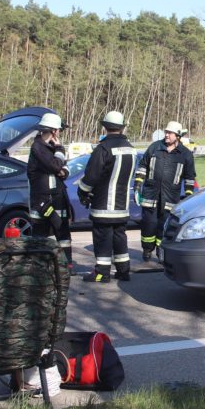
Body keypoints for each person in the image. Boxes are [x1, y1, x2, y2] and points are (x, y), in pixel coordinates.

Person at [77, 111, 136, 282]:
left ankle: (102, 273)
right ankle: (123, 271)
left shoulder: (103, 148)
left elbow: (91, 176)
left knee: (103, 238)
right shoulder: (130, 149)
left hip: (103, 206)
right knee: (119, 237)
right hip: (122, 206)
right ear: (122, 127)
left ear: (105, 126)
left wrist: (83, 191)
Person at [134, 121, 197, 261]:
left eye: (170, 133)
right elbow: (142, 167)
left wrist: (188, 196)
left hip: (170, 199)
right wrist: (138, 186)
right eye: (166, 132)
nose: (167, 135)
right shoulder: (154, 148)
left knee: (164, 227)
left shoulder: (185, 154)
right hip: (150, 196)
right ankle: (146, 249)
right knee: (148, 225)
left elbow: (189, 178)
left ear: (178, 136)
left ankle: (160, 251)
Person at [27, 112, 75, 274]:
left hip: (58, 198)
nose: (60, 133)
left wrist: (61, 167)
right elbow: (55, 166)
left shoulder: (51, 148)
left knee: (63, 234)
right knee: (40, 234)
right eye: (59, 130)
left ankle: (66, 266)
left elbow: (64, 170)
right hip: (42, 201)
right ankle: (38, 269)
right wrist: (60, 151)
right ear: (54, 131)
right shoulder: (38, 147)